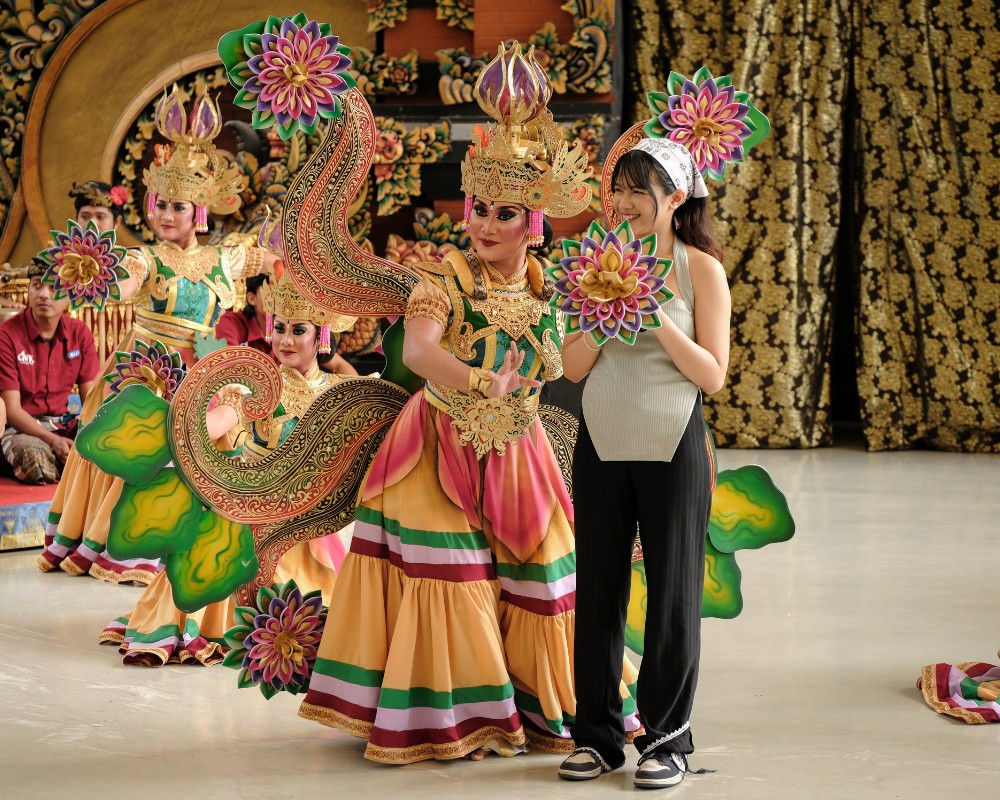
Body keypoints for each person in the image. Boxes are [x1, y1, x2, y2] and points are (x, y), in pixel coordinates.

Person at [297, 41, 640, 764]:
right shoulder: (441, 279)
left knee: (546, 574)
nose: (482, 224)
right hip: (433, 447)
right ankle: (450, 722)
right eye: (478, 207)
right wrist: (485, 384)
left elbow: (562, 362)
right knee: (446, 575)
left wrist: (616, 314)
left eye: (503, 213)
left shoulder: (547, 288)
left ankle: (559, 709)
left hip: (517, 451)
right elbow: (421, 353)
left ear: (534, 221)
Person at [37, 87, 273, 583]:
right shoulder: (147, 257)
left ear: (200, 210)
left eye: (179, 207)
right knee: (134, 447)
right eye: (160, 204)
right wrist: (95, 277)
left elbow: (275, 262)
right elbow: (123, 282)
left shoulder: (227, 257)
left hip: (200, 368)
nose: (166, 215)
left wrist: (314, 270)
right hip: (143, 368)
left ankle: (194, 541)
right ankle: (119, 541)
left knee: (216, 445)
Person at [556, 138, 730, 788]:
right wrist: (603, 316)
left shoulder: (698, 270)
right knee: (597, 589)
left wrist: (654, 316)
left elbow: (712, 376)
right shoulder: (595, 264)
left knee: (674, 592)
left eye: (639, 190)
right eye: (618, 189)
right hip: (600, 439)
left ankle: (667, 739)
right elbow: (571, 368)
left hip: (673, 444)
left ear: (676, 198)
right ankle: (597, 737)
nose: (623, 202)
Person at [101, 272, 353, 665]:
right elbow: (211, 425)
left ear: (321, 336)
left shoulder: (338, 394)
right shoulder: (252, 388)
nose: (285, 340)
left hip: (310, 516)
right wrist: (167, 431)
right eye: (280, 328)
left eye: (299, 330)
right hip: (249, 505)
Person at [0, 259, 100, 483]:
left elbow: (91, 402)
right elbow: (12, 410)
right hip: (20, 430)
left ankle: (69, 463)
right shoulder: (6, 335)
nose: (44, 294)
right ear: (29, 289)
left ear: (70, 296)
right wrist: (51, 441)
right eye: (37, 285)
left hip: (63, 425)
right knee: (35, 459)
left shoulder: (79, 333)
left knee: (107, 448)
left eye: (54, 287)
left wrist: (94, 437)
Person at [215, 273, 359, 376]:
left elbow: (339, 365)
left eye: (299, 331)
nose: (286, 340)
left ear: (320, 339)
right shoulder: (233, 324)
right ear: (252, 299)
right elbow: (228, 369)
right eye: (272, 290)